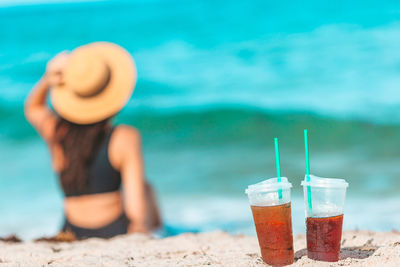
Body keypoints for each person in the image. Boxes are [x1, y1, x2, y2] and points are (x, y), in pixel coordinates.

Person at [24, 42, 161, 239]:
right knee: (147, 189)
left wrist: (48, 79)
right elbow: (136, 211)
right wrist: (141, 229)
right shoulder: (124, 136)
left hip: (71, 229)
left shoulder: (56, 132)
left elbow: (33, 108)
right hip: (114, 229)